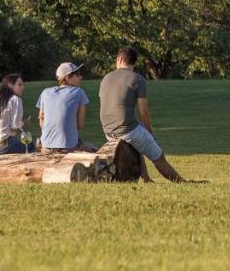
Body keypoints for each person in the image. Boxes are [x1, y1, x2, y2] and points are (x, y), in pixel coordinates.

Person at [100, 47, 184, 182]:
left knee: (138, 136)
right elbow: (143, 112)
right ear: (134, 62)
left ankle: (145, 177)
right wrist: (150, 133)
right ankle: (181, 182)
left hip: (108, 130)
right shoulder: (137, 79)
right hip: (127, 130)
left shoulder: (106, 78)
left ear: (120, 59)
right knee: (158, 155)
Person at [37, 62, 95, 153]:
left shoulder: (45, 92)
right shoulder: (79, 92)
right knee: (94, 150)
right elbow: (79, 125)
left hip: (45, 147)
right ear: (67, 77)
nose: (80, 77)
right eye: (77, 74)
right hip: (68, 148)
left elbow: (41, 122)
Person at [0, 74, 27, 155]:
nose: (23, 88)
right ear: (10, 85)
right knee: (30, 145)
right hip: (4, 147)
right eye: (19, 84)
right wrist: (25, 123)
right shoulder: (15, 99)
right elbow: (16, 126)